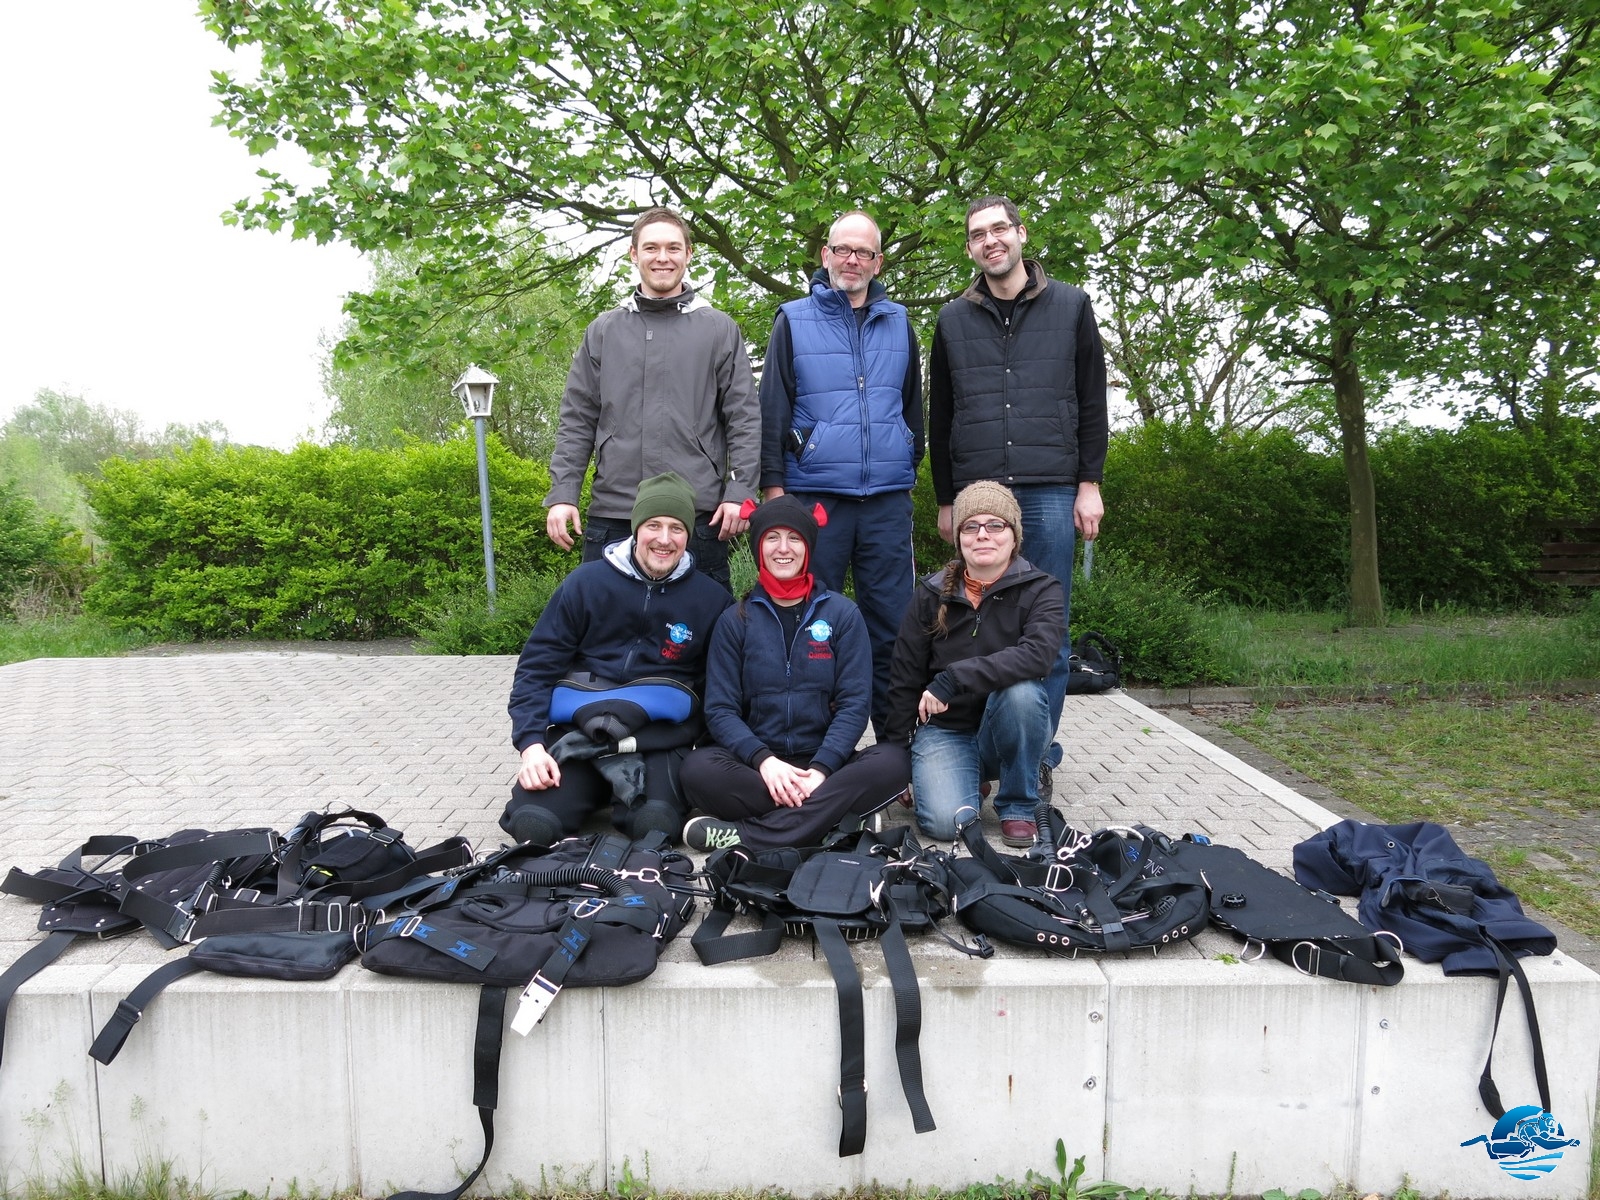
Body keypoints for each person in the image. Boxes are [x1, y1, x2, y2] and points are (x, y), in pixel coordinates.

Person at [927, 195, 1108, 785]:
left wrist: (1089, 483)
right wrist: (947, 499)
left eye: (999, 228)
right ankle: (981, 749)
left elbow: (1092, 401)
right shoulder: (952, 320)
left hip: (1051, 488)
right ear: (970, 248)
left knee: (1047, 631)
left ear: (1021, 234)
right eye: (978, 234)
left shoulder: (1072, 306)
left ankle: (1032, 760)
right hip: (977, 493)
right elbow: (940, 416)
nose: (991, 240)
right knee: (974, 625)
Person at [758, 209, 922, 735]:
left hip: (886, 501)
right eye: (843, 250)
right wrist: (775, 491)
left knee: (893, 626)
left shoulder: (899, 322)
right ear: (826, 255)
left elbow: (912, 407)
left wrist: (906, 457)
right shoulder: (792, 320)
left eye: (864, 252)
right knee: (811, 627)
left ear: (878, 262)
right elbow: (772, 407)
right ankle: (809, 746)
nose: (852, 260)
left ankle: (895, 746)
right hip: (813, 500)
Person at [503, 471, 733, 846]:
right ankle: (589, 788)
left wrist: (703, 757)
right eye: (654, 525)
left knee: (655, 827)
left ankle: (630, 797)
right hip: (581, 732)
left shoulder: (712, 599)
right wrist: (531, 747)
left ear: (688, 535)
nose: (664, 539)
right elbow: (536, 669)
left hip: (658, 740)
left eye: (676, 528)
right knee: (534, 827)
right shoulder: (585, 583)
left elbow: (719, 688)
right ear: (636, 527)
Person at [544, 206, 761, 592]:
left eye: (673, 248)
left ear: (689, 254)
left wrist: (740, 492)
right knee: (602, 626)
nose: (663, 257)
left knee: (701, 626)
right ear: (634, 253)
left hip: (696, 516)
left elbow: (743, 417)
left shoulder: (718, 329)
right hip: (616, 512)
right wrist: (563, 493)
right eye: (651, 248)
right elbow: (577, 419)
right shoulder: (604, 331)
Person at [679, 495, 911, 852]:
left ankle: (748, 836)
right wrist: (765, 762)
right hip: (757, 767)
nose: (783, 548)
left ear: (809, 547)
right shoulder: (734, 620)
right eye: (772, 538)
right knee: (696, 769)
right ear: (759, 547)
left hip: (825, 762)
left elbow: (854, 704)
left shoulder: (843, 615)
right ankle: (835, 823)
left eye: (794, 538)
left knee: (893, 762)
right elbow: (720, 710)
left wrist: (821, 771)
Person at [883, 481, 1065, 847]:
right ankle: (970, 779)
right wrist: (895, 758)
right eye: (971, 526)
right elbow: (904, 676)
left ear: (1014, 536)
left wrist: (954, 678)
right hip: (946, 729)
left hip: (1009, 725)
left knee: (1022, 693)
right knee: (945, 824)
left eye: (995, 525)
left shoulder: (1043, 589)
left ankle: (1018, 804)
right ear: (959, 538)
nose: (982, 535)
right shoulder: (931, 593)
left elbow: (1038, 655)